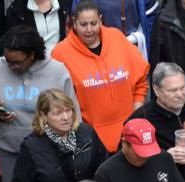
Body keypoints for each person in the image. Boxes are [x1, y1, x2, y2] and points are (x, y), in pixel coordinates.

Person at [0, 25, 75, 178]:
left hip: (48, 151)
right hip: (6, 150)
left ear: (32, 55)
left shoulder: (58, 72)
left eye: (17, 63)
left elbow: (73, 112)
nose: (11, 67)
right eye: (8, 61)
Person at [52, 0, 149, 153]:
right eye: (83, 24)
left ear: (101, 20)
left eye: (94, 23)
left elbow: (141, 78)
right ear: (74, 24)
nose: (89, 29)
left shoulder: (117, 38)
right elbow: (58, 100)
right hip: (90, 142)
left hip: (129, 135)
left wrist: (137, 110)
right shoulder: (61, 53)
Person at [4, 0, 69, 54]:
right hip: (33, 62)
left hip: (62, 60)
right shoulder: (16, 10)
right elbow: (16, 45)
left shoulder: (65, 4)